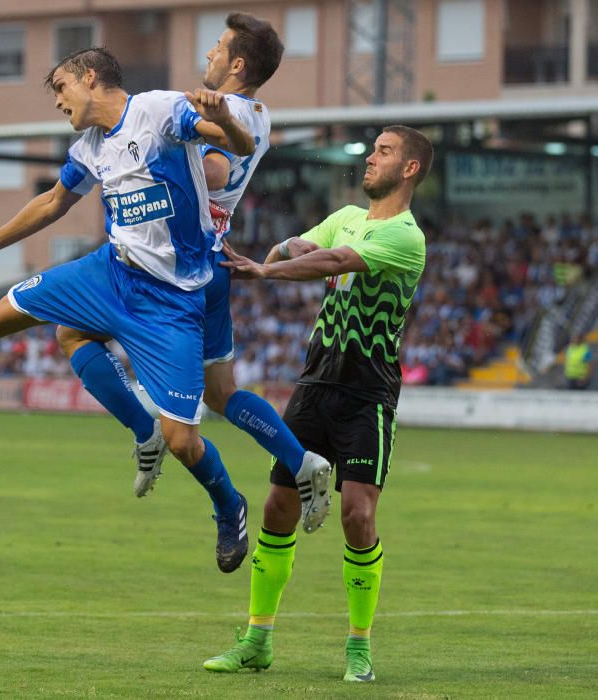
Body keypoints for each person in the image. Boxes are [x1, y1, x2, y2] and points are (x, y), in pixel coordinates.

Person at [0, 48, 256, 573]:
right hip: (110, 272)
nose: (58, 100)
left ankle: (229, 505)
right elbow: (53, 202)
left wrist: (222, 121)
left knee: (183, 441)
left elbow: (236, 145)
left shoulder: (158, 111)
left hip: (171, 300)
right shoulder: (90, 146)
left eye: (60, 87)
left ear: (88, 77)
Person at [54, 13, 332, 537]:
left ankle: (146, 431)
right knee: (223, 393)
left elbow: (217, 168)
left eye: (219, 48)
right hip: (212, 263)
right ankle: (302, 464)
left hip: (178, 266)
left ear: (238, 63)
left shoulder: (224, 113)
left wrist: (142, 157)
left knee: (72, 331)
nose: (210, 55)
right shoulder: (259, 112)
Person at [203, 125, 433, 682]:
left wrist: (269, 267)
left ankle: (359, 647)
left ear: (409, 170)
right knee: (277, 507)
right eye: (371, 150)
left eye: (382, 152)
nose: (370, 160)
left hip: (367, 395)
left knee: (357, 513)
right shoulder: (348, 215)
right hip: (314, 386)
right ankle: (257, 641)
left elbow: (331, 264)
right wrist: (284, 249)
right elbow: (302, 247)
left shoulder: (406, 236)